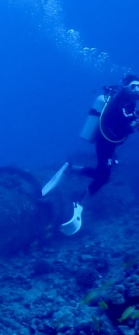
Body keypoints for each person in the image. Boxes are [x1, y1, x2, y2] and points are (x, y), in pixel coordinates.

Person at [43, 74, 139, 234]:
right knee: (104, 175)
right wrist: (134, 122)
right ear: (126, 87)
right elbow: (121, 122)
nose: (137, 90)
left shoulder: (130, 103)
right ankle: (79, 202)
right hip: (105, 141)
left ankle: (71, 168)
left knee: (103, 174)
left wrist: (134, 120)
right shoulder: (120, 101)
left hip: (111, 143)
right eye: (134, 86)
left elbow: (128, 121)